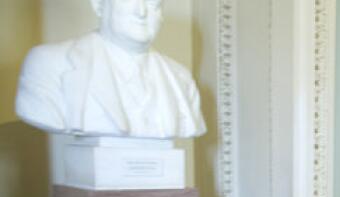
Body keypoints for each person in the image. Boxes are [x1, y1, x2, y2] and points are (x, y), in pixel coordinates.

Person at [15, 0, 205, 139]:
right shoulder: (48, 64)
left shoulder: (181, 79)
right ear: (99, 5)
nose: (141, 12)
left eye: (152, 3)